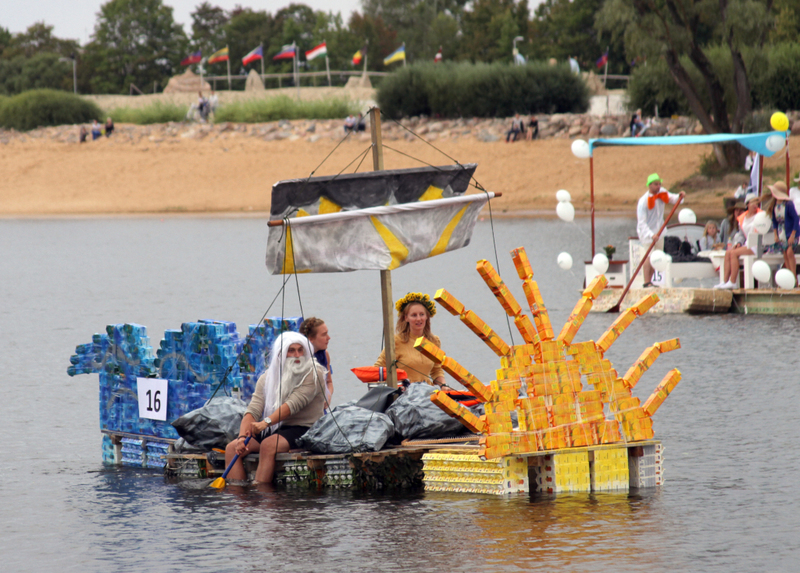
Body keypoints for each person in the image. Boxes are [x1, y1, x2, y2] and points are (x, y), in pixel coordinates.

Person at [224, 331, 327, 484]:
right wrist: (241, 438)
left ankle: (262, 494)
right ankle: (239, 498)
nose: (297, 355)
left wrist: (265, 423)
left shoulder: (314, 372)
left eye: (300, 350)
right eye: (291, 351)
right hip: (276, 427)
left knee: (269, 444)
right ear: (281, 354)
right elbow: (253, 409)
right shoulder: (268, 377)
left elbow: (293, 404)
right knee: (232, 448)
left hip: (306, 428)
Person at [374, 292, 448, 389]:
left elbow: (436, 370)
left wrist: (443, 385)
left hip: (427, 393)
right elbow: (378, 369)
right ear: (406, 318)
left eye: (422, 314)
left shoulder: (434, 341)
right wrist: (396, 386)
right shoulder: (396, 341)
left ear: (427, 317)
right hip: (404, 394)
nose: (418, 319)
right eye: (414, 315)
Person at [636, 173, 685, 287]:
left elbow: (673, 198)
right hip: (646, 233)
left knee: (657, 256)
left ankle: (650, 282)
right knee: (649, 256)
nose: (658, 186)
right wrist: (651, 234)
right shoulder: (643, 202)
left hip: (660, 231)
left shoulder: (662, 192)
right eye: (655, 184)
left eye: (659, 184)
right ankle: (646, 282)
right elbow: (641, 223)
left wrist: (680, 196)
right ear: (649, 185)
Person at [715, 193, 763, 289]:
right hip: (747, 244)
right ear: (748, 204)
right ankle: (724, 281)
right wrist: (738, 243)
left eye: (757, 203)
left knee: (733, 254)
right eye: (753, 203)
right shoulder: (743, 218)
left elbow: (765, 230)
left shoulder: (761, 215)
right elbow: (741, 234)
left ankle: (732, 281)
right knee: (728, 253)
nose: (755, 205)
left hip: (757, 245)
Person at [764, 181, 800, 280]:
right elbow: (774, 221)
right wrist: (775, 234)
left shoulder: (788, 204)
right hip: (781, 233)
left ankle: (794, 276)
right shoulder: (774, 205)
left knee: (789, 252)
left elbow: (796, 219)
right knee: (785, 253)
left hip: (791, 232)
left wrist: (793, 235)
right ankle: (790, 277)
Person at [299, 317, 333, 403]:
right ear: (311, 339)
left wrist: (327, 398)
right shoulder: (299, 358)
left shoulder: (325, 354)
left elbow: (329, 382)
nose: (329, 338)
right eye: (324, 334)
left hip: (321, 404)